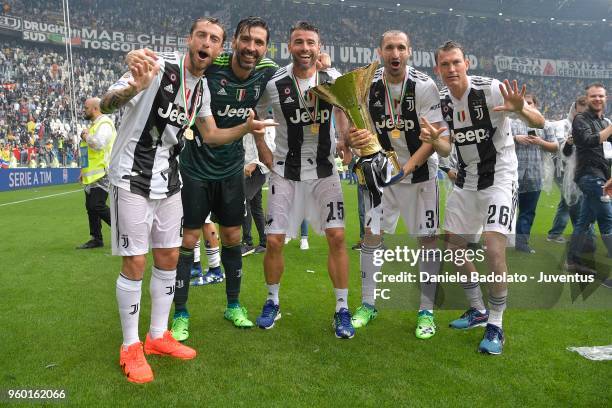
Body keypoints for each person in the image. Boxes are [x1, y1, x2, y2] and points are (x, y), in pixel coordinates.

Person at [100, 17, 274, 383]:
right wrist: (135, 87)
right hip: (131, 177)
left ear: (218, 49)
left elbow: (209, 134)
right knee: (135, 261)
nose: (206, 43)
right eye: (202, 36)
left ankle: (158, 335)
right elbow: (104, 103)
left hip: (169, 180)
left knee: (167, 256)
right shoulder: (156, 66)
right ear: (189, 39)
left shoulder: (201, 90)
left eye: (214, 39)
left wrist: (246, 128)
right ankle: (130, 346)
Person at [169, 16, 278, 338]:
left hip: (232, 167)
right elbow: (176, 70)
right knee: (188, 239)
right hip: (194, 167)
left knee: (232, 236)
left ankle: (233, 305)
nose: (251, 48)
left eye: (259, 42)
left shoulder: (268, 70)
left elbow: (297, 87)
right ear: (234, 42)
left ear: (266, 47)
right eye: (246, 40)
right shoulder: (211, 63)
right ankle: (180, 313)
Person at [435, 41, 544, 355]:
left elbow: (538, 122)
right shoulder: (441, 101)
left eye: (456, 62)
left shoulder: (491, 89)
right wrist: (437, 142)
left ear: (466, 63)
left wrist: (521, 108)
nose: (452, 69)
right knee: (454, 246)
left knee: (494, 249)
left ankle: (496, 323)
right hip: (467, 180)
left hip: (499, 178)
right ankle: (477, 309)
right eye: (445, 65)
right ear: (438, 69)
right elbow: (445, 147)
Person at [346, 30, 450, 339]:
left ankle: (426, 311)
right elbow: (358, 129)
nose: (395, 53)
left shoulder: (424, 86)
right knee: (371, 237)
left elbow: (434, 139)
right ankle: (367, 304)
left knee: (427, 241)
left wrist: (404, 169)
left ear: (409, 53)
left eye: (401, 47)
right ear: (380, 52)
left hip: (419, 177)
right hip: (382, 177)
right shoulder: (368, 85)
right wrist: (355, 141)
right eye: (389, 47)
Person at [254, 21, 355, 338]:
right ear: (290, 47)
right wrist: (262, 149)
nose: (305, 48)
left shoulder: (331, 79)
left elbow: (346, 109)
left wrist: (346, 139)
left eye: (311, 42)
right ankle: (273, 301)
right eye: (299, 42)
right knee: (274, 241)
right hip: (285, 171)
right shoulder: (276, 82)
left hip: (325, 171)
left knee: (337, 237)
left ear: (319, 47)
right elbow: (256, 115)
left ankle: (341, 308)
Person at [566, 83, 612, 273]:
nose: (597, 99)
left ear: (606, 98)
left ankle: (572, 261)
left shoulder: (604, 123)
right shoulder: (580, 120)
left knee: (584, 221)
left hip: (602, 176)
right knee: (608, 220)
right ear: (588, 98)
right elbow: (588, 141)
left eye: (600, 96)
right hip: (589, 176)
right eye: (593, 96)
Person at [512, 94, 559, 253]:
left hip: (534, 175)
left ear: (536, 105)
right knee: (507, 209)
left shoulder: (545, 125)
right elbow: (496, 143)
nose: (526, 106)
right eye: (523, 103)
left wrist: (540, 142)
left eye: (529, 103)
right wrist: (515, 138)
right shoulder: (510, 123)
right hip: (511, 175)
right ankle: (499, 242)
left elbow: (555, 147)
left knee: (528, 211)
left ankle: (522, 243)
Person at [76, 97, 115, 249]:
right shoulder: (94, 126)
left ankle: (125, 231)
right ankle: (96, 238)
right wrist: (83, 170)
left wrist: (85, 136)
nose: (84, 110)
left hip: (103, 173)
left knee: (96, 205)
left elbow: (98, 144)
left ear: (94, 109)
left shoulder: (104, 124)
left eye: (86, 108)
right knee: (90, 207)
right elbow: (88, 153)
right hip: (91, 175)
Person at [241, 127, 275, 257]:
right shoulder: (244, 124)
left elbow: (270, 148)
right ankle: (264, 242)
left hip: (258, 169)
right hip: (248, 169)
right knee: (256, 206)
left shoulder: (260, 126)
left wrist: (254, 163)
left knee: (243, 200)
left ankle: (247, 243)